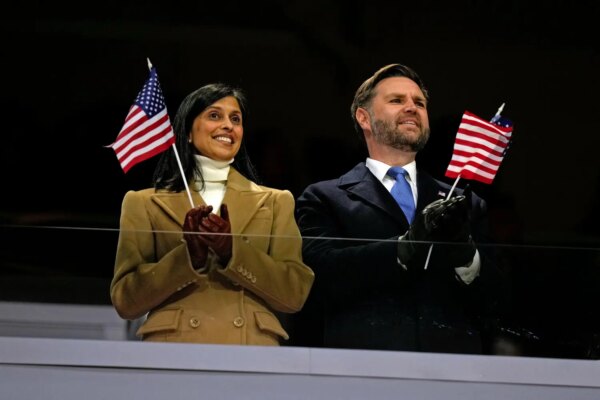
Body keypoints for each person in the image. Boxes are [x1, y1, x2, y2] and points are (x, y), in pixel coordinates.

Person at [294, 64, 506, 353]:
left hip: (452, 370)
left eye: (419, 103)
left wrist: (467, 257)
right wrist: (401, 248)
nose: (412, 108)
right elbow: (316, 279)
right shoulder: (325, 198)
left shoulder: (466, 203)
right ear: (363, 118)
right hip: (364, 368)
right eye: (397, 100)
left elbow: (498, 300)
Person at [110, 83, 314, 345]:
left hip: (249, 350)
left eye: (235, 119)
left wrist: (233, 252)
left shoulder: (276, 201)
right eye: (215, 115)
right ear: (188, 132)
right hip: (173, 349)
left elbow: (294, 294)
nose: (228, 125)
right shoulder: (142, 202)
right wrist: (188, 259)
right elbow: (126, 302)